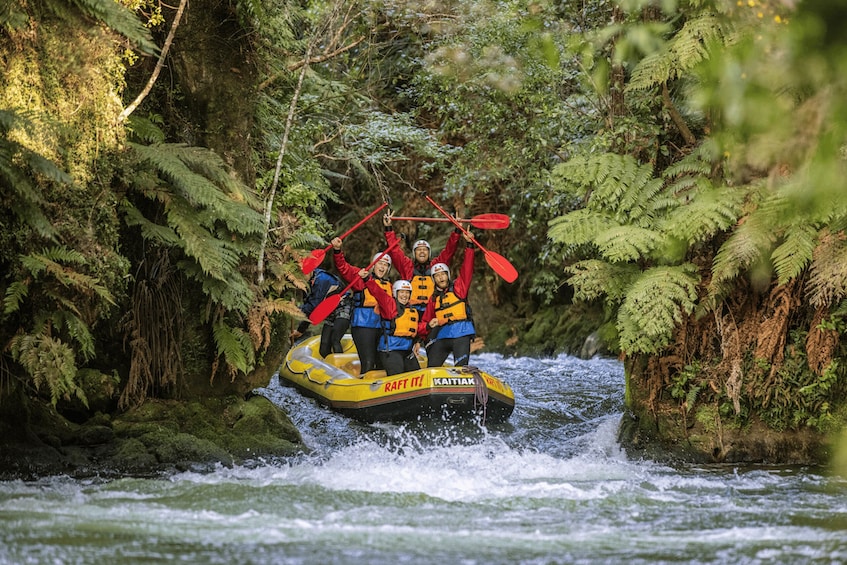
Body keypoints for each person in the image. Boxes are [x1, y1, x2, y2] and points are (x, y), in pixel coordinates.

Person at [331, 237, 393, 375]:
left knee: (381, 364)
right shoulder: (361, 278)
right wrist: (337, 250)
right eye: (380, 263)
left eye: (386, 265)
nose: (382, 267)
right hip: (363, 326)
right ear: (373, 265)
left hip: (381, 328)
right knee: (368, 362)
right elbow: (343, 267)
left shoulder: (390, 285)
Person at [382, 211, 462, 314]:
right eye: (419, 249)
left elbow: (449, 250)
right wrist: (388, 228)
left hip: (432, 311)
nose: (422, 252)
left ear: (429, 253)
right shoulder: (407, 266)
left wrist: (457, 231)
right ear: (414, 253)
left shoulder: (436, 265)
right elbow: (394, 251)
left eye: (425, 249)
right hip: (412, 310)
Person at [417, 231, 476, 368]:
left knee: (461, 368)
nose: (441, 278)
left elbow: (467, 267)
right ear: (434, 280)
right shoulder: (434, 299)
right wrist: (419, 336)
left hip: (461, 333)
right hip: (443, 335)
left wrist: (469, 245)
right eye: (437, 276)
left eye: (443, 274)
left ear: (448, 275)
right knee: (431, 368)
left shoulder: (459, 287)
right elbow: (425, 322)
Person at [360, 275, 421, 376]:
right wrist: (367, 279)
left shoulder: (412, 310)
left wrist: (418, 341)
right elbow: (378, 292)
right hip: (391, 350)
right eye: (401, 292)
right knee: (398, 374)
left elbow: (415, 328)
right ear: (395, 293)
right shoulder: (389, 305)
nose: (404, 295)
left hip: (407, 350)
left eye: (407, 293)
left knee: (418, 375)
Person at [290, 267, 352, 358]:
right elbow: (309, 308)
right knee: (324, 347)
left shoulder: (322, 279)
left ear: (310, 270)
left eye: (304, 274)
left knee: (335, 340)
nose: (302, 278)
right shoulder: (306, 284)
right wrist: (301, 330)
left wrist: (295, 309)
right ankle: (329, 367)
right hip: (329, 311)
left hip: (343, 307)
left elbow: (313, 305)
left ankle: (340, 366)